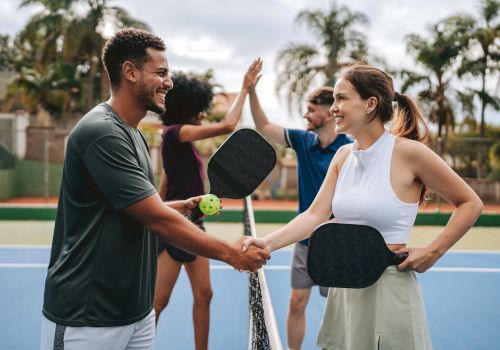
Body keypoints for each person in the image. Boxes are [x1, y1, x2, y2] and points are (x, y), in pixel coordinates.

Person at [40, 28, 269, 350]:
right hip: (88, 316)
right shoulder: (103, 132)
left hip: (135, 311)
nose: (169, 82)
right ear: (130, 72)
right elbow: (155, 219)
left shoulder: (133, 134)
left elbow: (138, 207)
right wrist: (230, 253)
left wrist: (183, 205)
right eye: (160, 72)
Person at [243, 63, 483, 350]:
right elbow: (314, 215)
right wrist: (266, 243)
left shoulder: (410, 153)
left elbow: (470, 202)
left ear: (370, 104)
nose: (333, 108)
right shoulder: (343, 156)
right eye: (334, 100)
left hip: (389, 288)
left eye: (342, 98)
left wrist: (433, 251)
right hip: (345, 288)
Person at [243, 58, 352, 349]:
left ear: (330, 113)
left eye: (311, 110)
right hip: (304, 241)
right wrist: (252, 91)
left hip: (338, 244)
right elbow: (264, 125)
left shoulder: (351, 149)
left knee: (340, 312)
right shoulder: (304, 141)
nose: (305, 115)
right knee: (295, 302)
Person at [154, 64, 260, 350]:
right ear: (186, 108)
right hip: (176, 229)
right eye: (199, 108)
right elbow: (228, 126)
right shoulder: (174, 133)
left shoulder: (178, 143)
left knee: (204, 295)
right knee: (158, 303)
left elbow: (166, 181)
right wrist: (245, 88)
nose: (202, 114)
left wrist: (195, 206)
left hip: (194, 223)